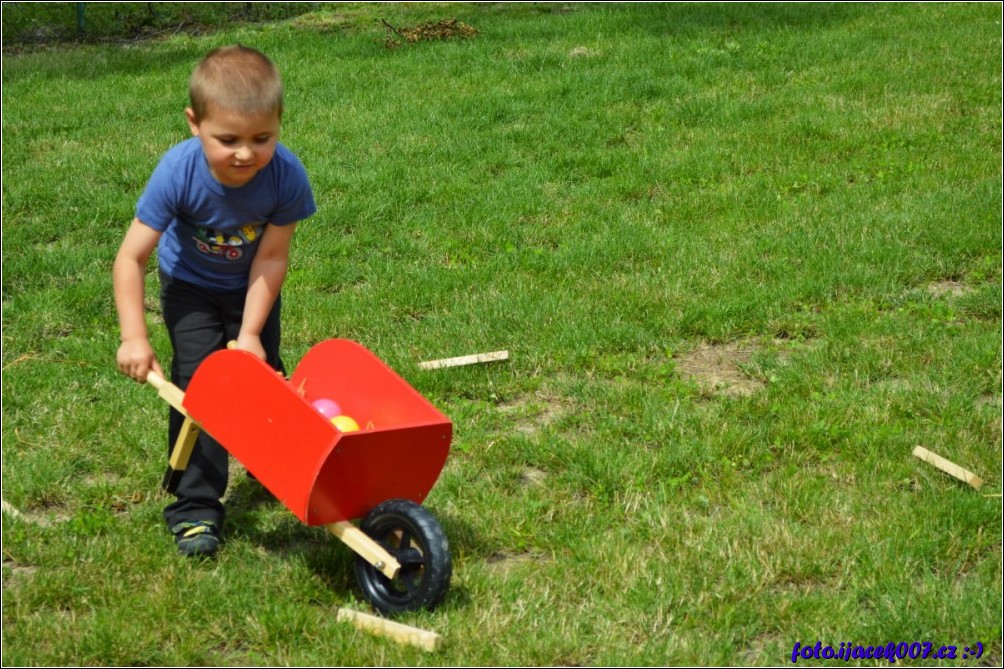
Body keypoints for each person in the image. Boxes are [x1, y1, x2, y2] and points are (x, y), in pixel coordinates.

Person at [113, 45, 316, 557]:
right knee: (204, 390)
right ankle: (196, 509)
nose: (245, 153)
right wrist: (134, 337)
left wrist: (249, 335)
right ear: (194, 123)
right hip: (191, 288)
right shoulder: (177, 173)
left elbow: (271, 258)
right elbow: (130, 259)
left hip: (251, 285)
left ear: (279, 124)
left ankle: (280, 472)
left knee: (264, 378)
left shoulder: (286, 176)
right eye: (228, 140)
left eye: (261, 138)